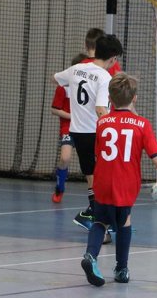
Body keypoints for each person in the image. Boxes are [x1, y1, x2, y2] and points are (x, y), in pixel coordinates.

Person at [80, 72, 157, 287]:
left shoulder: (102, 122)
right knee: (124, 221)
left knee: (100, 220)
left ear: (109, 98)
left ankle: (90, 256)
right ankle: (121, 269)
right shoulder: (142, 124)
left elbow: (98, 154)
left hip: (102, 180)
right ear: (135, 98)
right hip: (126, 183)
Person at [54, 34, 123, 237]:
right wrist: (113, 130)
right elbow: (101, 109)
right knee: (105, 176)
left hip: (77, 131)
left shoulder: (76, 69)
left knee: (92, 175)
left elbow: (55, 78)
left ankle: (94, 214)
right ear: (112, 58)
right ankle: (100, 217)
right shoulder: (104, 77)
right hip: (95, 132)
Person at [50, 53, 88, 203]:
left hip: (86, 128)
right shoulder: (63, 87)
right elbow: (54, 109)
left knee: (93, 161)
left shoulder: (89, 87)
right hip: (69, 127)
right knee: (65, 158)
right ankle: (59, 188)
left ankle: (96, 196)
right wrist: (73, 116)